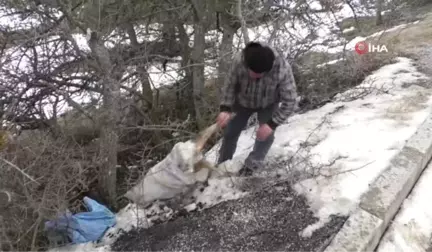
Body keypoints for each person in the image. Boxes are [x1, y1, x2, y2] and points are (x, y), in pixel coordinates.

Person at [216, 41, 298, 176]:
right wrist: (225, 108)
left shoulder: (282, 68)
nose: (255, 77)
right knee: (230, 133)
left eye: (260, 74)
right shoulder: (239, 61)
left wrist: (271, 124)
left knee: (266, 136)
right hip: (242, 102)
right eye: (252, 73)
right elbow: (229, 86)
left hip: (268, 103)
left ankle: (252, 166)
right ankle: (222, 165)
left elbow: (290, 101)